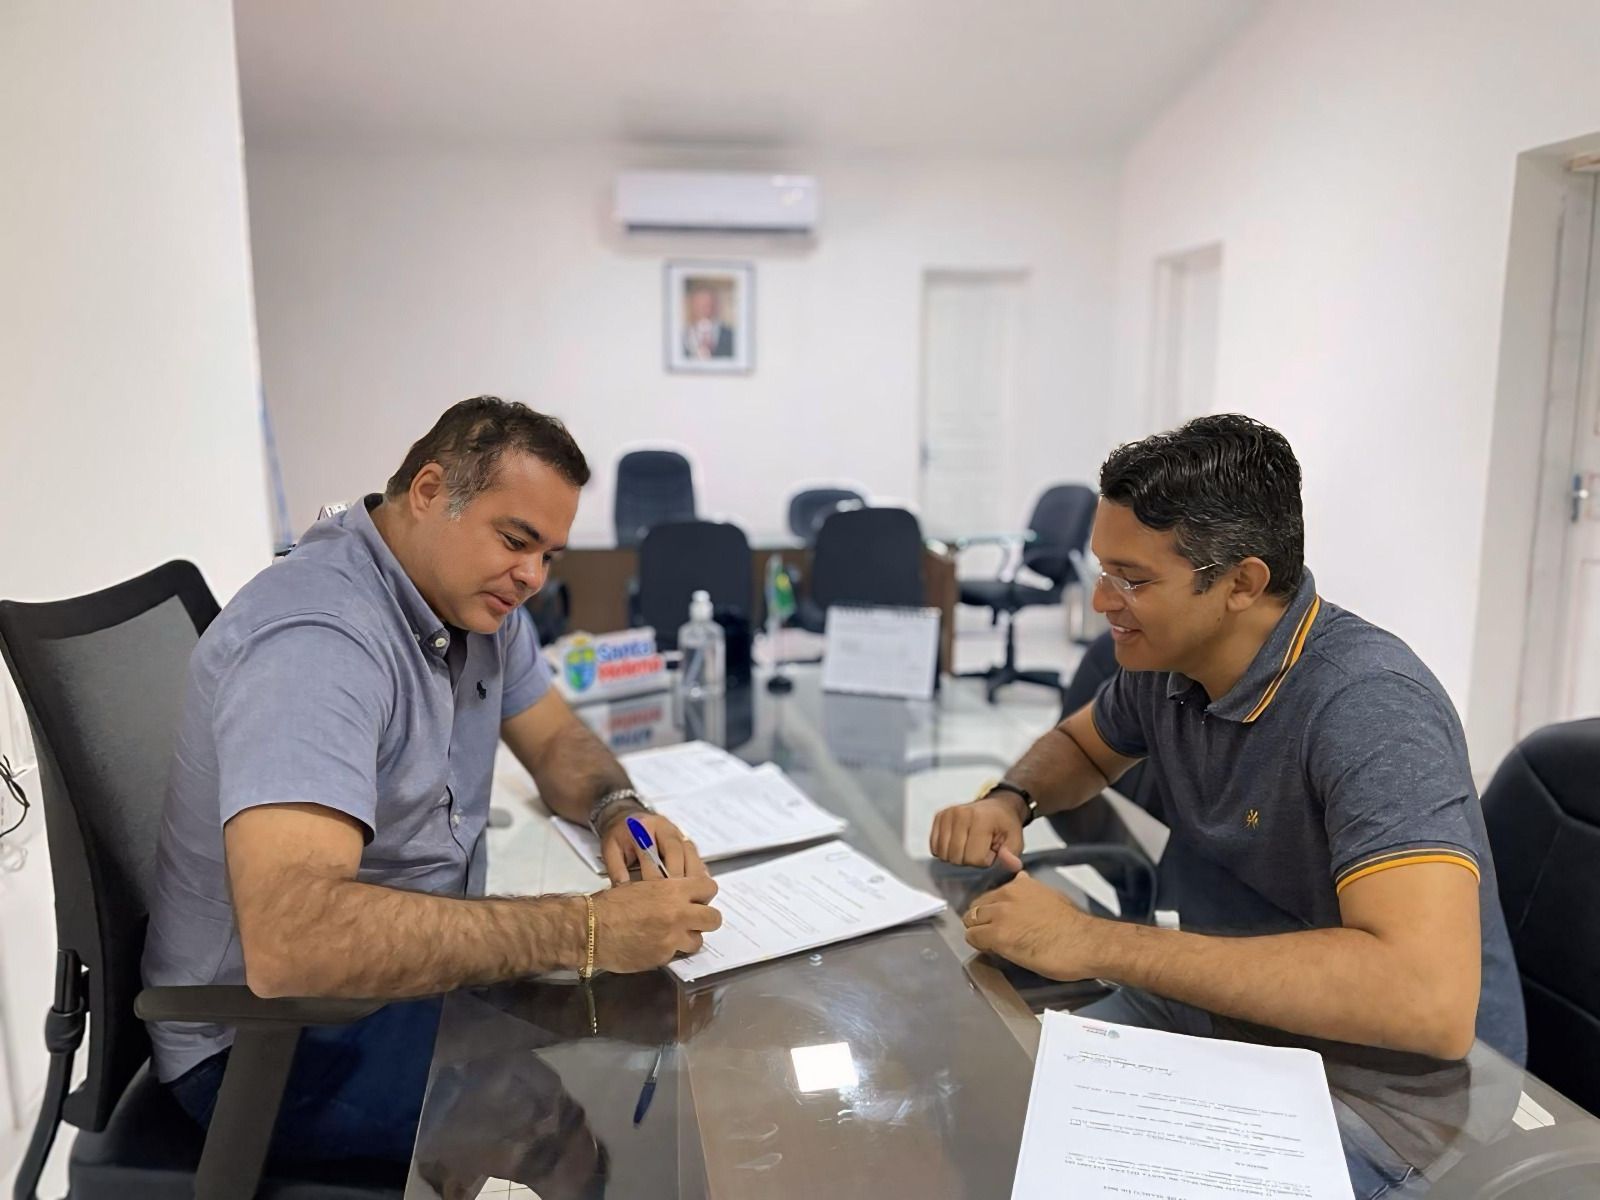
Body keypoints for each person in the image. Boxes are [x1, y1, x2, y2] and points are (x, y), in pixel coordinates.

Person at [142, 396, 721, 1162]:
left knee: (641, 1052)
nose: (532, 578)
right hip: (267, 1047)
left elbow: (554, 741)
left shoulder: (476, 600)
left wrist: (620, 809)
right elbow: (293, 944)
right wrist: (585, 931)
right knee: (610, 1134)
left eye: (549, 554)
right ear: (427, 492)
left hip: (398, 993)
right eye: (517, 541)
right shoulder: (318, 640)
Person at [930, 414, 1525, 1063]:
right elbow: (1081, 747)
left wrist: (1094, 941)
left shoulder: (1371, 708)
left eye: (1133, 579)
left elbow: (1427, 1004)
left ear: (1242, 583)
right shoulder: (1169, 661)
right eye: (1102, 571)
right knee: (981, 1071)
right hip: (1229, 1016)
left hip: (1393, 1083)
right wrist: (1012, 799)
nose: (1103, 602)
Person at [682, 281, 734, 359]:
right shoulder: (682, 334)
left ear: (716, 304)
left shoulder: (731, 335)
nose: (705, 307)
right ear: (693, 305)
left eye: (709, 302)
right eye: (700, 303)